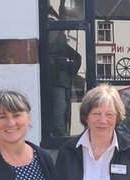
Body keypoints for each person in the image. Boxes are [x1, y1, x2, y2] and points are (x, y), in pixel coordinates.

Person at [49, 0, 82, 137]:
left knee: (64, 104)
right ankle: (59, 129)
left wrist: (71, 65)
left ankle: (62, 129)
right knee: (60, 103)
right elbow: (51, 46)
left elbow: (69, 52)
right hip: (55, 73)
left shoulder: (58, 28)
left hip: (62, 74)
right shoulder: (53, 26)